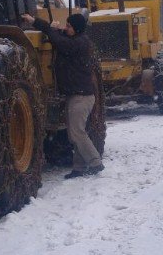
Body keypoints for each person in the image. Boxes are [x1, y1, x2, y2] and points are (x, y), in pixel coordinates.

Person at [20, 11, 103, 178]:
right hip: (76, 95)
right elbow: (58, 35)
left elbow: (60, 43)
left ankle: (95, 162)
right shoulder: (76, 38)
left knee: (76, 133)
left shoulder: (80, 43)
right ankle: (79, 168)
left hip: (82, 97)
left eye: (69, 26)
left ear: (77, 28)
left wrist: (52, 30)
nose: (66, 28)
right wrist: (34, 21)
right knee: (77, 132)